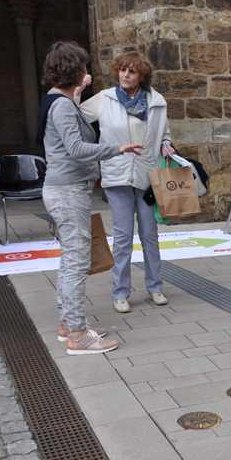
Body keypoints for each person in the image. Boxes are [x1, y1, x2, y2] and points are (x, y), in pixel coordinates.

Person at [36, 41, 144, 355]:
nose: (88, 71)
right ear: (74, 70)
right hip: (68, 193)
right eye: (83, 66)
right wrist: (118, 148)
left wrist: (79, 92)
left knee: (71, 259)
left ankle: (68, 324)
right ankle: (78, 336)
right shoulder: (61, 105)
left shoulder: (56, 100)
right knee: (76, 263)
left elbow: (70, 125)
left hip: (67, 190)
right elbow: (77, 148)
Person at [77, 51, 173, 314]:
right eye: (121, 70)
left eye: (131, 71)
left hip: (147, 176)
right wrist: (79, 89)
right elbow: (74, 116)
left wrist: (166, 146)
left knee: (150, 236)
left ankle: (155, 287)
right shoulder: (105, 98)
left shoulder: (157, 101)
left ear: (142, 75)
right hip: (116, 175)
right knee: (122, 237)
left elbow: (164, 132)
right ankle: (120, 293)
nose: (125, 75)